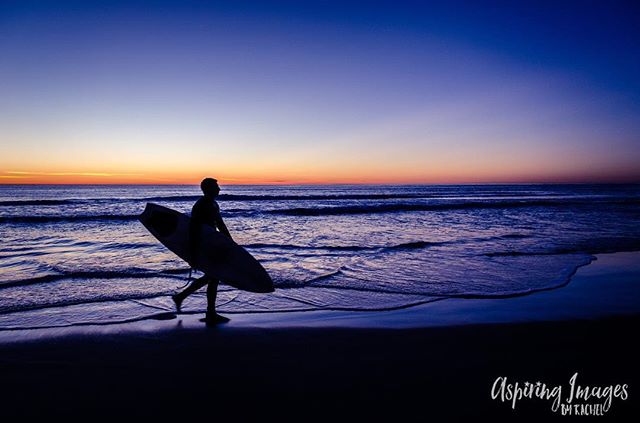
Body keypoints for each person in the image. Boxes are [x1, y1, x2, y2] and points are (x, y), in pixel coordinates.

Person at [172, 177, 231, 325]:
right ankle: (209, 312)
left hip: (212, 244)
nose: (219, 189)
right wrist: (192, 253)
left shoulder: (213, 203)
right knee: (213, 276)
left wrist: (230, 243)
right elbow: (193, 229)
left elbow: (220, 224)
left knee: (213, 277)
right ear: (208, 189)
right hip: (204, 246)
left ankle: (186, 299)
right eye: (216, 187)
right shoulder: (201, 205)